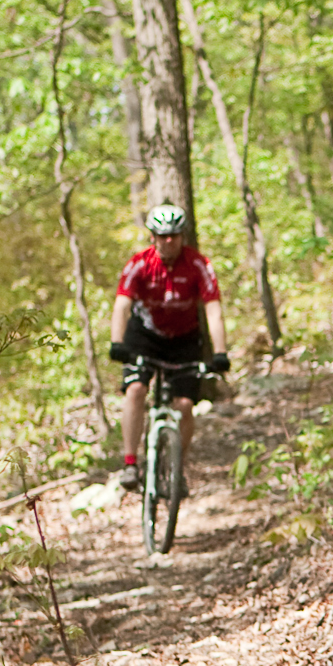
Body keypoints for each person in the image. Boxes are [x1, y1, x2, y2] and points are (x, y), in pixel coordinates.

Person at [109, 204, 229, 492]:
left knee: (185, 406)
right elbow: (122, 305)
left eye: (174, 235)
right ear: (153, 237)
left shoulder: (198, 264)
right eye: (162, 236)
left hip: (185, 340)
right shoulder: (139, 263)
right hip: (145, 336)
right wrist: (117, 343)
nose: (169, 241)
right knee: (136, 389)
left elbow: (213, 310)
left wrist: (221, 353)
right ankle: (129, 463)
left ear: (182, 236)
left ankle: (177, 467)